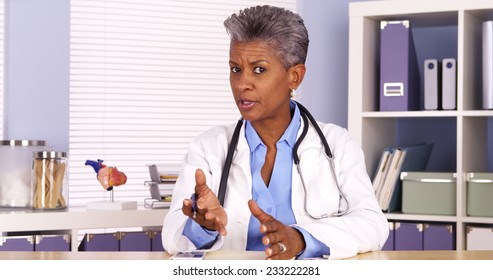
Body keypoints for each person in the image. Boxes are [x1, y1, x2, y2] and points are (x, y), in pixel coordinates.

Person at [162, 5, 389, 260]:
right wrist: (203, 226)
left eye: (259, 69)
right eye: (235, 69)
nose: (242, 84)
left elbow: (373, 225)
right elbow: (172, 235)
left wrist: (301, 239)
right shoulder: (208, 149)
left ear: (294, 76)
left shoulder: (337, 145)